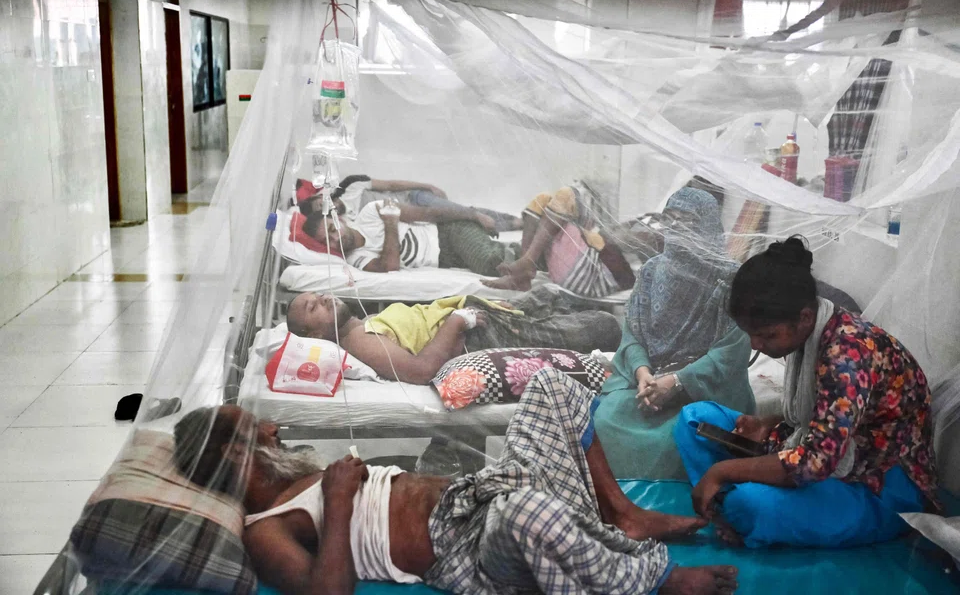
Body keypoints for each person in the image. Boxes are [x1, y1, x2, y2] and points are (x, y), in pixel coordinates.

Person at [173, 368, 739, 595]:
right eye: (257, 432)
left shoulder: (298, 475)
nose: (273, 427)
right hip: (469, 552)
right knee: (528, 513)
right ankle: (654, 580)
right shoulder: (263, 529)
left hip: (479, 497)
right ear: (229, 454)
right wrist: (339, 500)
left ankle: (621, 514)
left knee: (551, 388)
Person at [673, 237, 938, 548]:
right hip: (811, 445)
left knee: (748, 506)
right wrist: (768, 422)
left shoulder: (847, 355)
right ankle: (731, 503)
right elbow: (823, 412)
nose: (756, 345)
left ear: (805, 318)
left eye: (766, 335)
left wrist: (722, 471)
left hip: (876, 483)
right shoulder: (813, 330)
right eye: (751, 334)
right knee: (693, 420)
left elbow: (816, 461)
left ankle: (732, 503)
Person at [593, 187, 755, 480]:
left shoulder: (732, 278)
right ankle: (617, 504)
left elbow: (732, 351)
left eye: (687, 219)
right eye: (670, 217)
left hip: (705, 386)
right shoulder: (652, 271)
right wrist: (643, 373)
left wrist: (678, 381)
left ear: (707, 226)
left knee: (676, 436)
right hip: (650, 383)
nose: (676, 226)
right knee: (606, 417)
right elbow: (633, 334)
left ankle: (669, 509)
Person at [285, 288, 622, 383]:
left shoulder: (360, 324)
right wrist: (458, 321)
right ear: (312, 334)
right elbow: (421, 371)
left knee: (551, 295)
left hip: (479, 315)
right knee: (605, 326)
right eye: (314, 308)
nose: (324, 299)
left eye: (317, 296)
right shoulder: (357, 341)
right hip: (479, 334)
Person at [483, 182, 647, 297]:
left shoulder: (658, 234)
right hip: (579, 270)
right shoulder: (650, 224)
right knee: (543, 198)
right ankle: (525, 271)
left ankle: (527, 264)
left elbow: (625, 244)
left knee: (565, 195)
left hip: (596, 274)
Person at [303, 200, 517, 277]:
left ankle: (526, 252)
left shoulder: (370, 212)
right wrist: (389, 223)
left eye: (332, 229)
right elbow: (391, 265)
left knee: (490, 264)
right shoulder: (355, 259)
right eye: (327, 242)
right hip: (446, 261)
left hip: (448, 232)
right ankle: (523, 253)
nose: (335, 239)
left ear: (338, 219)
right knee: (489, 262)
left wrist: (474, 215)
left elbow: (428, 213)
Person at [298, 174, 522, 233]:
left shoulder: (351, 185)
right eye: (324, 212)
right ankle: (512, 223)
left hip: (412, 198)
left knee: (458, 212)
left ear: (322, 196)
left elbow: (393, 185)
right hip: (412, 218)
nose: (330, 207)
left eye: (322, 203)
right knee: (459, 218)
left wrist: (425, 186)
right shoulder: (348, 221)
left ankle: (514, 222)